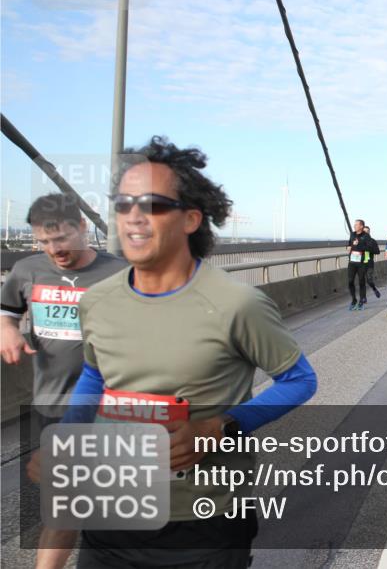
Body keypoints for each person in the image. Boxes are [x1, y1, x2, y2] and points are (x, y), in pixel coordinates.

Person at [30, 137, 317, 568]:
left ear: (190, 219)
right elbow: (95, 374)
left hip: (204, 521)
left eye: (152, 204)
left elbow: (300, 380)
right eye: (123, 205)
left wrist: (218, 426)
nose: (133, 218)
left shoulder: (238, 304)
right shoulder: (97, 301)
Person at [1, 194, 127, 432]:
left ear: (82, 227)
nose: (54, 249)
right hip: (52, 406)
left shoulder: (120, 273)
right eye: (44, 241)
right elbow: (7, 310)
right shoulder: (27, 270)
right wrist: (7, 328)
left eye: (61, 239)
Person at [347, 219, 378, 310]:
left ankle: (361, 300)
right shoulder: (352, 234)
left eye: (356, 224)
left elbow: (369, 248)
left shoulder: (366, 236)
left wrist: (359, 244)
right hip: (352, 262)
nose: (354, 226)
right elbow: (350, 244)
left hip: (362, 262)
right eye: (354, 224)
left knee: (361, 281)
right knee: (350, 281)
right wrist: (348, 247)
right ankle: (354, 299)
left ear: (361, 226)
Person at [362, 225, 381, 300]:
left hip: (369, 263)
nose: (366, 233)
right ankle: (364, 297)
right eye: (364, 231)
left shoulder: (372, 241)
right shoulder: (359, 240)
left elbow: (377, 251)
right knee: (361, 280)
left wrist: (369, 249)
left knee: (369, 280)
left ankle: (374, 289)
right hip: (360, 263)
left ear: (369, 232)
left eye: (367, 231)